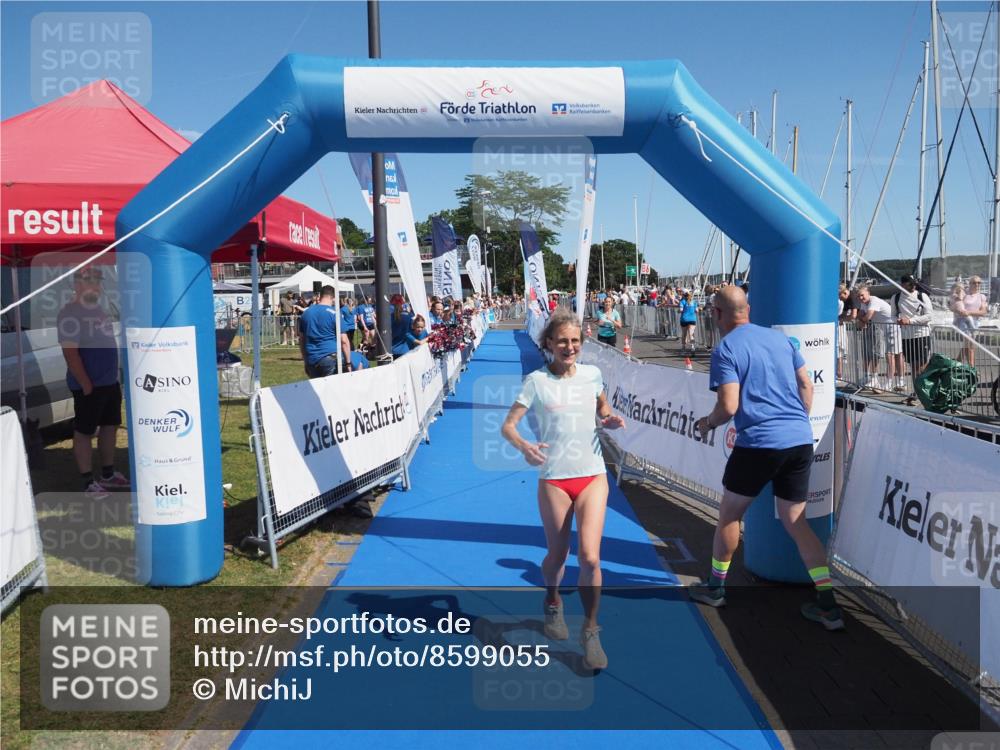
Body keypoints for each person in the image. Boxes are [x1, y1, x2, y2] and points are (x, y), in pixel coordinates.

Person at [690, 286, 843, 631]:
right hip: (799, 440)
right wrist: (797, 420)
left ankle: (715, 588)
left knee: (729, 515)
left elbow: (728, 406)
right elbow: (806, 384)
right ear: (749, 309)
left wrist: (707, 423)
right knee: (796, 522)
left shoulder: (726, 348)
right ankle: (828, 605)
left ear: (716, 314)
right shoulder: (781, 340)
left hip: (759, 443)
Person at [500, 309, 626, 669]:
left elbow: (602, 407)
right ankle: (553, 602)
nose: (569, 347)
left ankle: (591, 631)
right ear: (549, 344)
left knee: (590, 557)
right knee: (557, 555)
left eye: (574, 341)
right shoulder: (536, 381)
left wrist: (609, 418)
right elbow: (509, 426)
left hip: (592, 475)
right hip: (554, 478)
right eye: (562, 341)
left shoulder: (592, 375)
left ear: (581, 343)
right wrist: (525, 447)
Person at [57, 267, 130, 499]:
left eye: (98, 282)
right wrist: (86, 384)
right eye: (92, 282)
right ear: (77, 285)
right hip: (90, 386)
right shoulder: (70, 314)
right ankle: (88, 482)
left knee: (110, 427)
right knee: (85, 431)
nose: (97, 287)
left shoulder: (98, 310)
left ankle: (108, 474)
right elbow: (71, 354)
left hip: (109, 382)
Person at [892, 275, 933, 401]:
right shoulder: (896, 297)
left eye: (914, 283)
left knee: (922, 366)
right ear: (902, 284)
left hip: (922, 334)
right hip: (906, 337)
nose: (913, 286)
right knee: (914, 366)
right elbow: (893, 316)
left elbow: (929, 316)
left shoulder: (922, 296)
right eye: (910, 284)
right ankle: (917, 392)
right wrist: (898, 320)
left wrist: (910, 321)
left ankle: (925, 392)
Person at [299, 285, 352, 377]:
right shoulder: (334, 314)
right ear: (333, 298)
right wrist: (348, 363)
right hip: (330, 358)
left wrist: (306, 361)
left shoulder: (306, 313)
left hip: (312, 359)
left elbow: (302, 340)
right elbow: (344, 341)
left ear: (320, 296)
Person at [855, 285, 895, 391]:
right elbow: (860, 315)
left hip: (891, 327)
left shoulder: (874, 301)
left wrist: (862, 319)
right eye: (859, 296)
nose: (861, 298)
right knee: (869, 353)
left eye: (862, 295)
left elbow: (868, 317)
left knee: (885, 354)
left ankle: (885, 381)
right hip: (882, 327)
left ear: (868, 293)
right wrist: (862, 319)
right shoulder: (864, 303)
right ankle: (870, 377)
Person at [953, 276, 988, 366]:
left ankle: (957, 361)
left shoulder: (982, 296)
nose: (977, 284)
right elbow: (954, 306)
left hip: (975, 323)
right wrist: (960, 311)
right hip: (963, 322)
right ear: (970, 283)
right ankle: (971, 367)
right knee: (970, 344)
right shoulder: (964, 293)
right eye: (974, 282)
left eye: (979, 282)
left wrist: (969, 312)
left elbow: (983, 312)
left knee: (967, 344)